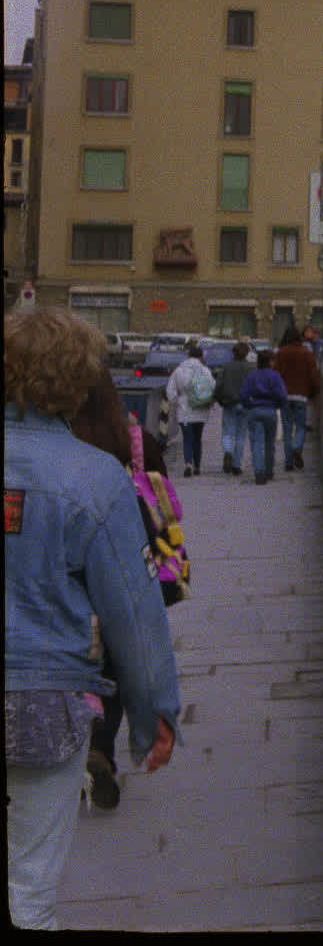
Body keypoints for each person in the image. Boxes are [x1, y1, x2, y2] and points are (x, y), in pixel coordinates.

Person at [6, 307, 180, 928]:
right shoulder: (95, 478)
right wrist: (153, 713)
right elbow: (133, 614)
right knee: (29, 889)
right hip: (42, 702)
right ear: (78, 381)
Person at [63, 375, 176, 811]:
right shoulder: (136, 441)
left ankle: (70, 752)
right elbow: (163, 504)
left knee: (76, 662)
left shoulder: (62, 444)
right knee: (114, 665)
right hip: (125, 569)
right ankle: (101, 751)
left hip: (70, 575)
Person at [272, 328, 322, 474]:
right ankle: (297, 447)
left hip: (284, 396)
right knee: (300, 426)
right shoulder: (307, 354)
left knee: (287, 430)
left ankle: (288, 462)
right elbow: (314, 377)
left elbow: (275, 375)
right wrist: (313, 394)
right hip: (301, 395)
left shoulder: (280, 353)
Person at [239, 350, 289, 486]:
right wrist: (277, 405)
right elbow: (282, 395)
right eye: (273, 361)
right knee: (269, 443)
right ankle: (268, 470)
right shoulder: (275, 376)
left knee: (256, 443)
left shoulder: (251, 375)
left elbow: (243, 394)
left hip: (254, 410)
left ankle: (259, 471)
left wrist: (249, 405)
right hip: (270, 410)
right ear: (269, 362)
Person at [164, 342, 212, 478]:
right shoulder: (205, 371)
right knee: (198, 438)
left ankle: (188, 464)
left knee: (187, 438)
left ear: (188, 356)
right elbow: (212, 387)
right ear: (201, 357)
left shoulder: (179, 371)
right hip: (200, 409)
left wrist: (177, 402)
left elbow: (170, 392)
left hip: (184, 411)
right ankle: (197, 466)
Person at [212, 339, 254, 477]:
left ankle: (228, 452)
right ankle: (236, 465)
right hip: (246, 403)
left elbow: (218, 386)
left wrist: (218, 399)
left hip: (229, 403)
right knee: (241, 435)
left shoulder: (226, 367)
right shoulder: (251, 368)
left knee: (228, 432)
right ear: (247, 353)